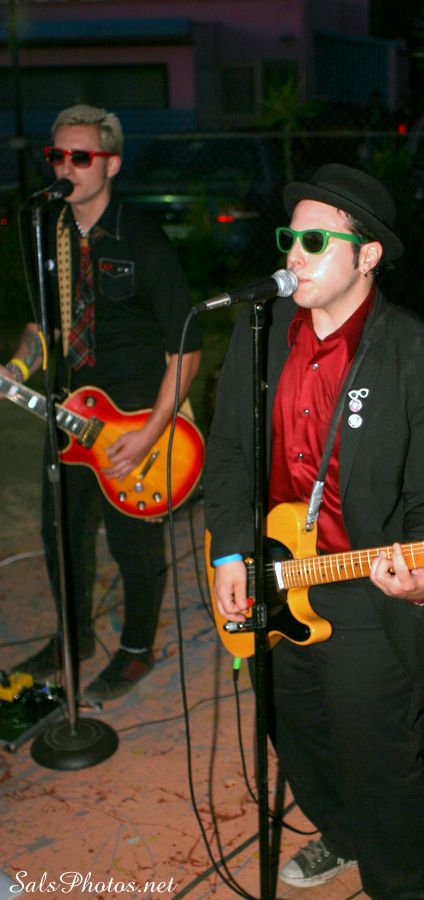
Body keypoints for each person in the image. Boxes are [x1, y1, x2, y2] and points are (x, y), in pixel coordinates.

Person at [203, 163, 424, 898]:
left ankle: (401, 886)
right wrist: (230, 552)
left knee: (377, 759)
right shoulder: (258, 335)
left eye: (315, 241)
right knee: (295, 733)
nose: (294, 254)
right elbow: (228, 452)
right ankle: (342, 835)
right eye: (290, 238)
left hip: (365, 585)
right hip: (273, 571)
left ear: (368, 255)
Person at [4, 104, 202, 702]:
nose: (66, 167)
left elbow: (187, 347)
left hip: (134, 420)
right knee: (60, 533)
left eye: (80, 156)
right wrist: (18, 368)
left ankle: (136, 650)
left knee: (130, 544)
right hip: (69, 413)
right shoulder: (49, 236)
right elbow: (44, 325)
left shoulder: (143, 238)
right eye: (57, 156)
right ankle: (73, 639)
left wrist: (150, 434)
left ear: (111, 163)